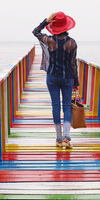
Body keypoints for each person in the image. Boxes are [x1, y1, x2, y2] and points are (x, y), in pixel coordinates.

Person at [32, 12, 79, 149]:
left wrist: (45, 21)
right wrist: (76, 82)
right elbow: (73, 64)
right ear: (66, 26)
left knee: (56, 106)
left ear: (54, 26)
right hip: (67, 78)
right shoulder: (72, 43)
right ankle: (67, 138)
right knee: (67, 106)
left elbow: (35, 32)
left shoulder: (49, 40)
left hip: (52, 77)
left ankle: (58, 138)